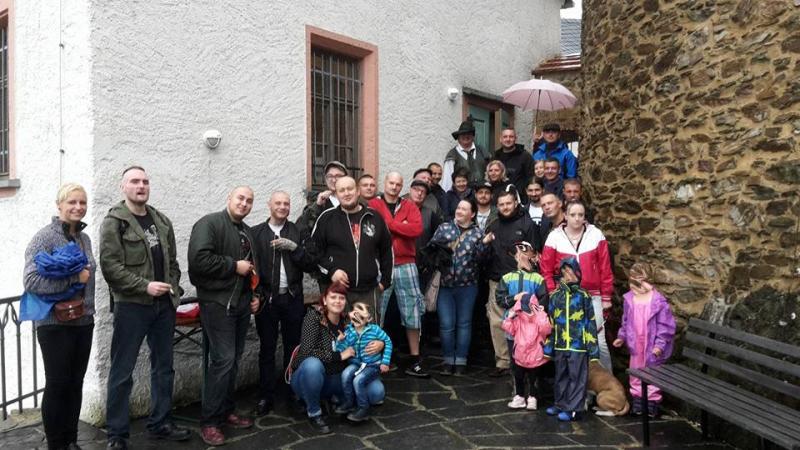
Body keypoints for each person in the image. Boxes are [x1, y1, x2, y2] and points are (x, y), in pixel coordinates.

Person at [100, 166, 189, 449]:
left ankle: (161, 422)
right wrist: (145, 286)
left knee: (164, 367)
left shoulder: (161, 220)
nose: (141, 186)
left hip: (163, 307)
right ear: (123, 187)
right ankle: (117, 434)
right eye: (135, 181)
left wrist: (173, 288)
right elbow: (111, 267)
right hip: (132, 306)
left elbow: (172, 262)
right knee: (122, 371)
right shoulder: (115, 222)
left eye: (145, 181)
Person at [22, 183, 95, 450]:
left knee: (76, 383)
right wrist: (73, 279)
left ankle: (71, 440)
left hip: (83, 320)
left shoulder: (84, 239)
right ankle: (56, 444)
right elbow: (31, 281)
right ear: (59, 205)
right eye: (72, 202)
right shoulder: (44, 238)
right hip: (54, 324)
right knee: (57, 383)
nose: (78, 207)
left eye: (82, 202)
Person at [187, 186, 259, 446]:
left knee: (234, 360)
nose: (244, 203)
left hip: (241, 304)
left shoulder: (247, 231)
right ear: (229, 198)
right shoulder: (209, 223)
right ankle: (209, 422)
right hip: (217, 304)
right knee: (223, 360)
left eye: (249, 201)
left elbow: (252, 268)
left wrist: (256, 296)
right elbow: (198, 261)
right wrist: (233, 266)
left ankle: (226, 410)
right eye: (240, 198)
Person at [251, 191, 315, 417]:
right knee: (267, 348)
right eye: (278, 203)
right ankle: (266, 396)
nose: (282, 207)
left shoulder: (298, 231)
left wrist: (294, 248)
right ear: (269, 205)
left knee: (293, 347)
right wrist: (255, 295)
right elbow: (251, 268)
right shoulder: (256, 233)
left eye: (286, 203)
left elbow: (310, 263)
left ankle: (293, 392)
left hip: (292, 297)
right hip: (267, 299)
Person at [289, 283, 385, 434]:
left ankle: (335, 398)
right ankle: (314, 412)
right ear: (324, 300)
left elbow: (369, 334)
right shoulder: (313, 317)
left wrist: (380, 344)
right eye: (333, 297)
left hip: (339, 377)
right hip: (309, 377)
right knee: (312, 365)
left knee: (376, 393)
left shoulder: (348, 321)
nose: (337, 301)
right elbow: (305, 352)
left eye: (341, 298)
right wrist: (339, 355)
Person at [540, 201, 614, 371]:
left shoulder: (596, 235)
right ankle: (579, 382)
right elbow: (546, 269)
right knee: (571, 340)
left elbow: (605, 267)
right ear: (565, 216)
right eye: (573, 215)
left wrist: (606, 297)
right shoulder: (554, 237)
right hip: (566, 297)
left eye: (581, 215)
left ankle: (607, 381)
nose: (577, 218)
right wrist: (552, 292)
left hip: (592, 294)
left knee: (598, 339)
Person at [368, 172, 428, 378]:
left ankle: (415, 359)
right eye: (391, 183)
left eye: (398, 184)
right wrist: (401, 226)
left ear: (402, 187)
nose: (394, 187)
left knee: (412, 310)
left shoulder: (409, 206)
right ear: (385, 183)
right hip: (380, 264)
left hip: (406, 263)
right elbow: (373, 232)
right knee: (377, 310)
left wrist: (390, 224)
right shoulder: (374, 205)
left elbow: (416, 229)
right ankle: (374, 358)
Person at [309, 176, 393, 310]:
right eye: (341, 190)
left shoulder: (375, 217)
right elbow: (313, 251)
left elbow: (387, 250)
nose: (346, 193)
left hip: (369, 292)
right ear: (337, 194)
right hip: (337, 293)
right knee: (337, 325)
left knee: (368, 325)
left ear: (358, 191)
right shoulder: (326, 218)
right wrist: (331, 270)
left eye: (350, 189)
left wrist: (384, 282)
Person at [429, 199, 491, 375]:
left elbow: (482, 260)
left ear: (472, 214)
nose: (459, 211)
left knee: (464, 324)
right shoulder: (444, 228)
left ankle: (461, 361)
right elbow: (431, 252)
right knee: (446, 324)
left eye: (464, 209)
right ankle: (448, 360)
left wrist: (485, 244)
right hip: (444, 286)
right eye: (458, 208)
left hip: (468, 286)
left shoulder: (478, 233)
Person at [484, 190, 539, 377]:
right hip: (498, 279)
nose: (505, 207)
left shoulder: (527, 224)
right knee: (497, 321)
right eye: (501, 204)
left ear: (515, 203)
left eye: (508, 203)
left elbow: (534, 253)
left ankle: (523, 359)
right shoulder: (493, 225)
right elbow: (485, 253)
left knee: (524, 320)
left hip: (522, 280)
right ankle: (503, 362)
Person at [613, 262, 676, 418]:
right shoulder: (630, 299)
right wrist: (622, 336)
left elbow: (665, 326)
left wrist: (659, 345)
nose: (636, 283)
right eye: (633, 279)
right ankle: (638, 400)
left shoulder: (658, 301)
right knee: (636, 371)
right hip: (636, 343)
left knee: (653, 372)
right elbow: (626, 321)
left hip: (652, 343)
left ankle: (652, 402)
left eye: (640, 279)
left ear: (649, 280)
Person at [543, 257, 599, 422]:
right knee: (561, 376)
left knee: (577, 377)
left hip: (578, 346)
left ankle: (574, 409)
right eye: (564, 271)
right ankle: (560, 404)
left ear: (577, 273)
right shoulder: (555, 297)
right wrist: (548, 348)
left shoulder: (583, 296)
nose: (567, 274)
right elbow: (551, 324)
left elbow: (590, 323)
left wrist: (593, 350)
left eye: (570, 270)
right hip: (560, 344)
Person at [495, 241, 549, 410]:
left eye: (525, 253)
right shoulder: (507, 278)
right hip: (513, 327)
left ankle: (533, 394)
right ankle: (519, 394)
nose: (522, 256)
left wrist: (531, 310)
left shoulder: (538, 278)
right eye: (518, 253)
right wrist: (514, 298)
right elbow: (500, 299)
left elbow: (543, 302)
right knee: (515, 362)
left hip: (532, 330)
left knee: (534, 362)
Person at [334, 302, 392, 422]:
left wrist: (385, 362)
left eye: (361, 316)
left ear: (368, 318)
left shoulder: (374, 330)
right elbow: (342, 349)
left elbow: (388, 341)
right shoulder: (349, 331)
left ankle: (363, 408)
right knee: (345, 374)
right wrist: (340, 341)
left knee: (358, 380)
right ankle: (349, 402)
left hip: (372, 365)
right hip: (356, 364)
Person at [501, 293, 552, 412]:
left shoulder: (539, 318)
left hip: (535, 356)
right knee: (519, 377)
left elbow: (546, 330)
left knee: (533, 378)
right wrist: (509, 317)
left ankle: (532, 397)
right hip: (520, 355)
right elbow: (509, 329)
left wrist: (540, 315)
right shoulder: (518, 318)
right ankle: (519, 396)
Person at [298, 161, 348, 237]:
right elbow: (301, 228)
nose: (334, 180)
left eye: (338, 176)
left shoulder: (353, 202)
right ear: (325, 179)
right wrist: (317, 205)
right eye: (330, 176)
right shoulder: (318, 202)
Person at [441, 120, 491, 192]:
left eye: (469, 133)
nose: (466, 136)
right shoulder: (452, 155)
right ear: (458, 137)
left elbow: (491, 172)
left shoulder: (483, 151)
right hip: (461, 195)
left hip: (482, 194)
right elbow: (447, 180)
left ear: (473, 136)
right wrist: (447, 196)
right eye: (462, 134)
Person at [493, 128, 532, 195]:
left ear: (515, 139)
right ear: (500, 139)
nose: (508, 139)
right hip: (499, 197)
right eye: (505, 137)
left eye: (511, 137)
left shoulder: (525, 156)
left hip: (520, 197)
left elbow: (531, 178)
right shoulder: (495, 157)